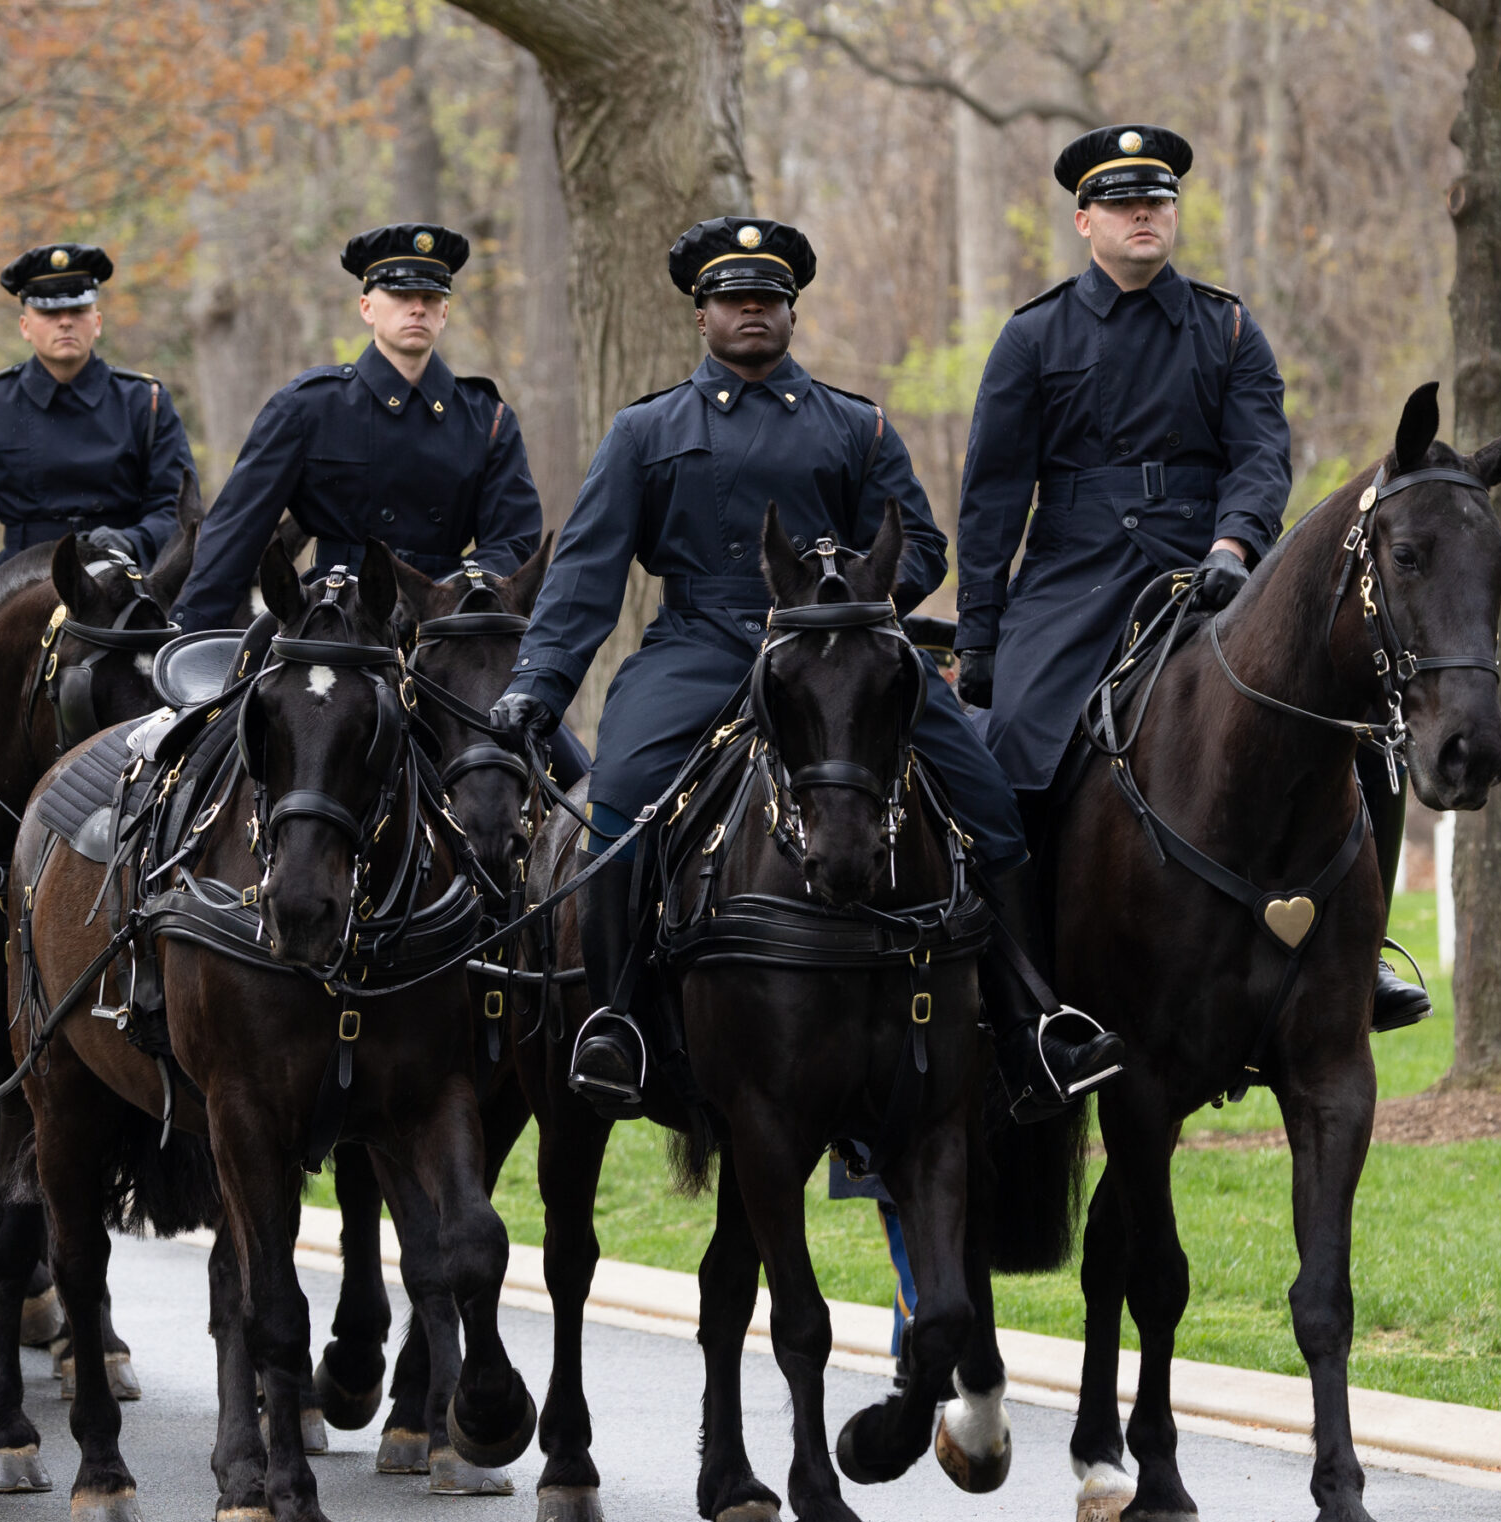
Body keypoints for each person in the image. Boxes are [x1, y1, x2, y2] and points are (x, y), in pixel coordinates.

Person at [486, 217, 1120, 1124]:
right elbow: (586, 574)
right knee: (619, 795)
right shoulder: (646, 430)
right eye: (734, 299)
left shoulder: (854, 425)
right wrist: (535, 689)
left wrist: (856, 597)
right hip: (702, 642)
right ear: (700, 315)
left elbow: (926, 546)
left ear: (792, 313)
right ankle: (616, 1021)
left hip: (845, 654)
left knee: (987, 795)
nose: (753, 311)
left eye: (770, 299)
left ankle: (1029, 1020)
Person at [948, 128, 1417, 1027]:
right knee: (1010, 760)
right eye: (1123, 204)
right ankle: (1018, 980)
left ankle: (1366, 959)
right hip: (1071, 585)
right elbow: (992, 502)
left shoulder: (1228, 327)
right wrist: (981, 637)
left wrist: (1234, 551)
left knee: (1361, 736)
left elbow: (1260, 460)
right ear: (1085, 220)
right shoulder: (1032, 336)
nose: (1142, 216)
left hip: (1210, 581)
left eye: (1156, 202)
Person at [169, 223, 546, 633]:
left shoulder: (487, 418)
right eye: (402, 295)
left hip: (445, 619)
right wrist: (184, 636)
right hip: (335, 615)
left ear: (445, 313)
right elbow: (236, 533)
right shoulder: (309, 407)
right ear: (367, 307)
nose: (417, 308)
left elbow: (513, 543)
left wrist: (455, 594)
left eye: (431, 297)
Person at [0, 244, 197, 591]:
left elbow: (179, 513)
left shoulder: (146, 402)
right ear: (25, 326)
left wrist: (133, 541)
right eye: (49, 313)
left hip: (126, 584)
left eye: (78, 309)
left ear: (98, 322)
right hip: (17, 589)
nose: (65, 321)